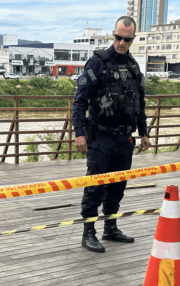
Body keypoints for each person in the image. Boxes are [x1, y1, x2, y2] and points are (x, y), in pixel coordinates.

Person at [72, 16, 150, 253]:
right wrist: (79, 134)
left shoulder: (134, 67)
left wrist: (144, 132)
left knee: (117, 187)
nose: (121, 42)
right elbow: (79, 102)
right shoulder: (97, 63)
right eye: (118, 37)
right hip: (101, 138)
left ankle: (110, 227)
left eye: (126, 39)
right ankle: (88, 233)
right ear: (112, 35)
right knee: (95, 186)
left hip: (124, 139)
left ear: (132, 39)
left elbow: (140, 104)